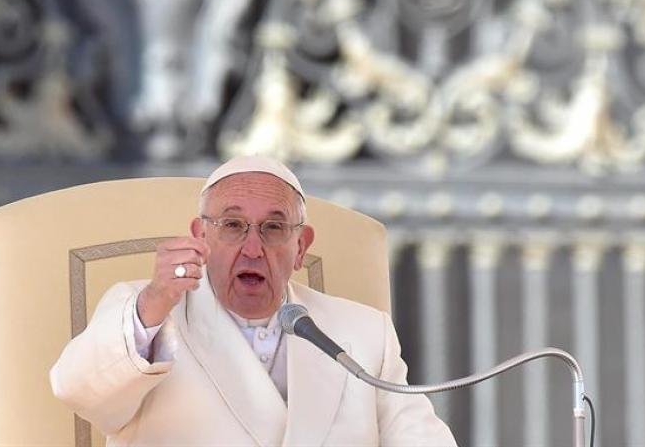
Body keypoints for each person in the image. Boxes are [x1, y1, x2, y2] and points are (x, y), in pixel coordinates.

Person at [50, 155, 456, 446]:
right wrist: (155, 300)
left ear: (301, 247)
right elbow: (77, 391)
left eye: (274, 228)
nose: (252, 248)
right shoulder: (145, 314)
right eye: (232, 226)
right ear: (201, 235)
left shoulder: (364, 333)